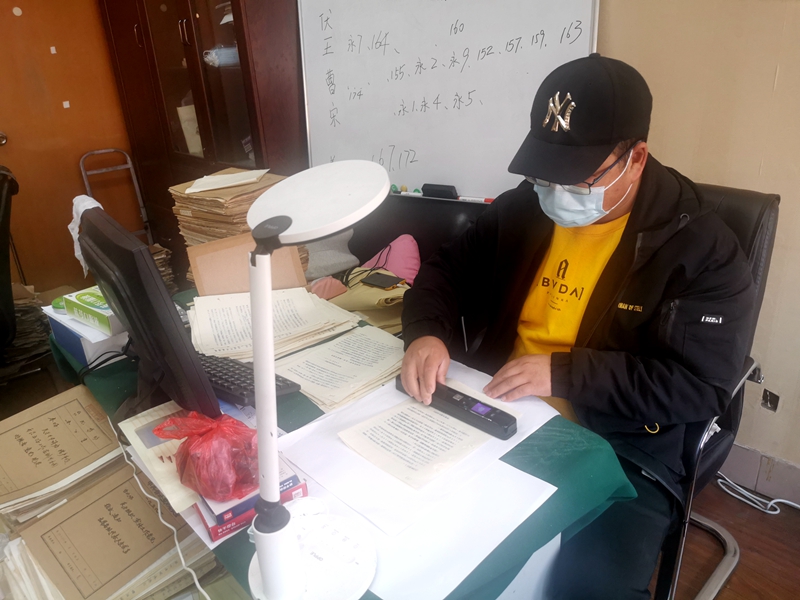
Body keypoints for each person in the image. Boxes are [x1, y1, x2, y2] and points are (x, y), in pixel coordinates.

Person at [399, 53, 755, 599]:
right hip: (498, 407)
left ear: (636, 158)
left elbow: (699, 386)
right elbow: (448, 270)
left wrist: (566, 374)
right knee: (418, 539)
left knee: (590, 588)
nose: (556, 193)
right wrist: (426, 330)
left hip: (624, 444)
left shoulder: (702, 251)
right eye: (545, 175)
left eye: (580, 178)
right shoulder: (527, 208)